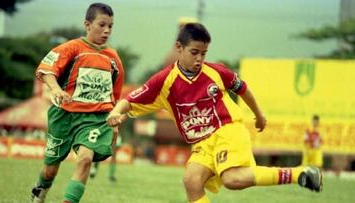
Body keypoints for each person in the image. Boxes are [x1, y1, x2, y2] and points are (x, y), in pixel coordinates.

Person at [106, 23, 323, 203]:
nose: (199, 59)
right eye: (194, 52)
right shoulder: (164, 81)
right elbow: (130, 100)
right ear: (178, 48)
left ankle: (300, 173)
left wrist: (259, 114)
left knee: (232, 179)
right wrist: (115, 113)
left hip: (228, 130)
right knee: (191, 181)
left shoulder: (215, 72)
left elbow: (243, 88)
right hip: (202, 143)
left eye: (203, 53)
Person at [30, 3, 124, 203]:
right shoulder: (71, 48)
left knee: (85, 160)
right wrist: (56, 89)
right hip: (64, 115)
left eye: (111, 26)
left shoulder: (114, 58)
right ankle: (40, 192)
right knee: (50, 169)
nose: (107, 30)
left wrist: (115, 124)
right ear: (87, 24)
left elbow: (114, 97)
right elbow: (46, 71)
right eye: (102, 25)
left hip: (94, 119)